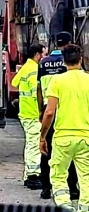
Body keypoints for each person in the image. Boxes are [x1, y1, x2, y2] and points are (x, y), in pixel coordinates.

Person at [39, 44, 89, 212]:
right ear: (81, 59)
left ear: (64, 61)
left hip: (62, 137)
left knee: (58, 176)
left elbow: (49, 112)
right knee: (87, 178)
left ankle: (66, 207)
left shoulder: (57, 81)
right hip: (86, 138)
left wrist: (42, 136)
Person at [37, 31, 79, 200]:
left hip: (48, 108)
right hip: (65, 109)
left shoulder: (43, 62)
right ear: (69, 43)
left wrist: (41, 110)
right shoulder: (69, 63)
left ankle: (46, 188)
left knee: (46, 149)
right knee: (71, 150)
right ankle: (72, 187)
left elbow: (39, 88)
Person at [11, 44, 46, 189]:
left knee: (31, 143)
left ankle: (28, 175)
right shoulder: (35, 69)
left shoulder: (26, 67)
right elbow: (38, 91)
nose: (45, 58)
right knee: (34, 145)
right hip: (33, 114)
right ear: (37, 54)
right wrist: (40, 111)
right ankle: (32, 175)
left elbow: (14, 83)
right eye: (44, 54)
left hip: (25, 112)